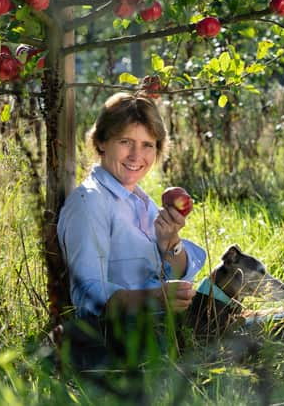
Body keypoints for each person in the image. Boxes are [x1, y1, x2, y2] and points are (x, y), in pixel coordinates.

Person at [57, 93, 206, 357]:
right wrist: (155, 297)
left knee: (236, 287)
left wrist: (170, 241)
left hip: (162, 327)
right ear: (102, 142)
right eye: (126, 141)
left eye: (147, 145)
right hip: (126, 341)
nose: (137, 155)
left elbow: (177, 272)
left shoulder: (140, 201)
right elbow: (88, 296)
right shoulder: (90, 203)